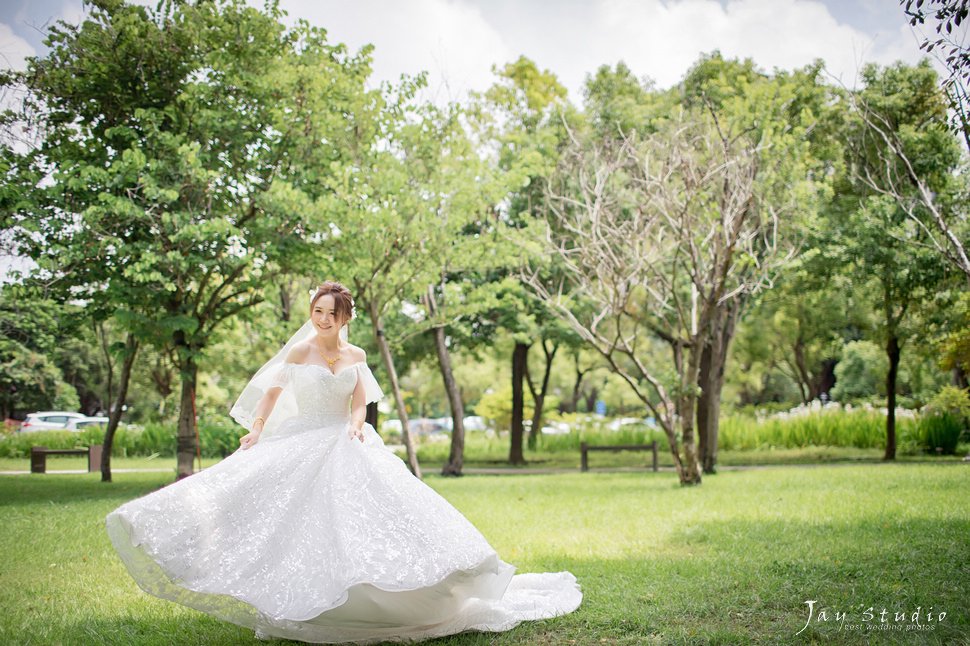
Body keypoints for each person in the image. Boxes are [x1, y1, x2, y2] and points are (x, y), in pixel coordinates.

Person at [105, 281, 582, 644]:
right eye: (316, 312)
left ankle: (389, 597)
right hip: (303, 438)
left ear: (344, 316)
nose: (322, 319)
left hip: (345, 440)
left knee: (370, 519)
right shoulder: (299, 350)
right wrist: (256, 428)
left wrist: (357, 424)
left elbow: (359, 399)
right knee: (287, 514)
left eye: (330, 313)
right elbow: (272, 393)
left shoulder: (355, 353)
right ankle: (308, 603)